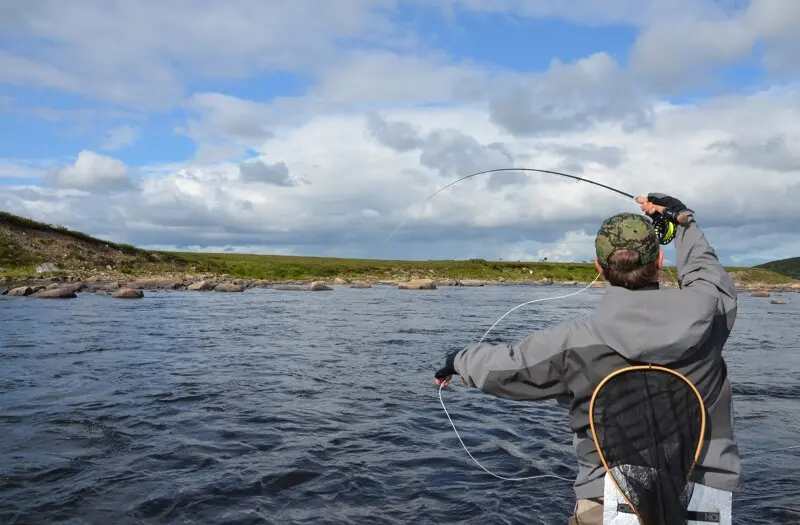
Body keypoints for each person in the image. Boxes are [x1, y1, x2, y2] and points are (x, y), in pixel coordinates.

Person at [434, 193, 741, 524]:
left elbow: (507, 367)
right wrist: (682, 219)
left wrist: (457, 359)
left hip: (607, 499)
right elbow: (704, 268)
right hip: (705, 498)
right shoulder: (712, 313)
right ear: (659, 261)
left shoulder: (572, 342)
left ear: (599, 267)